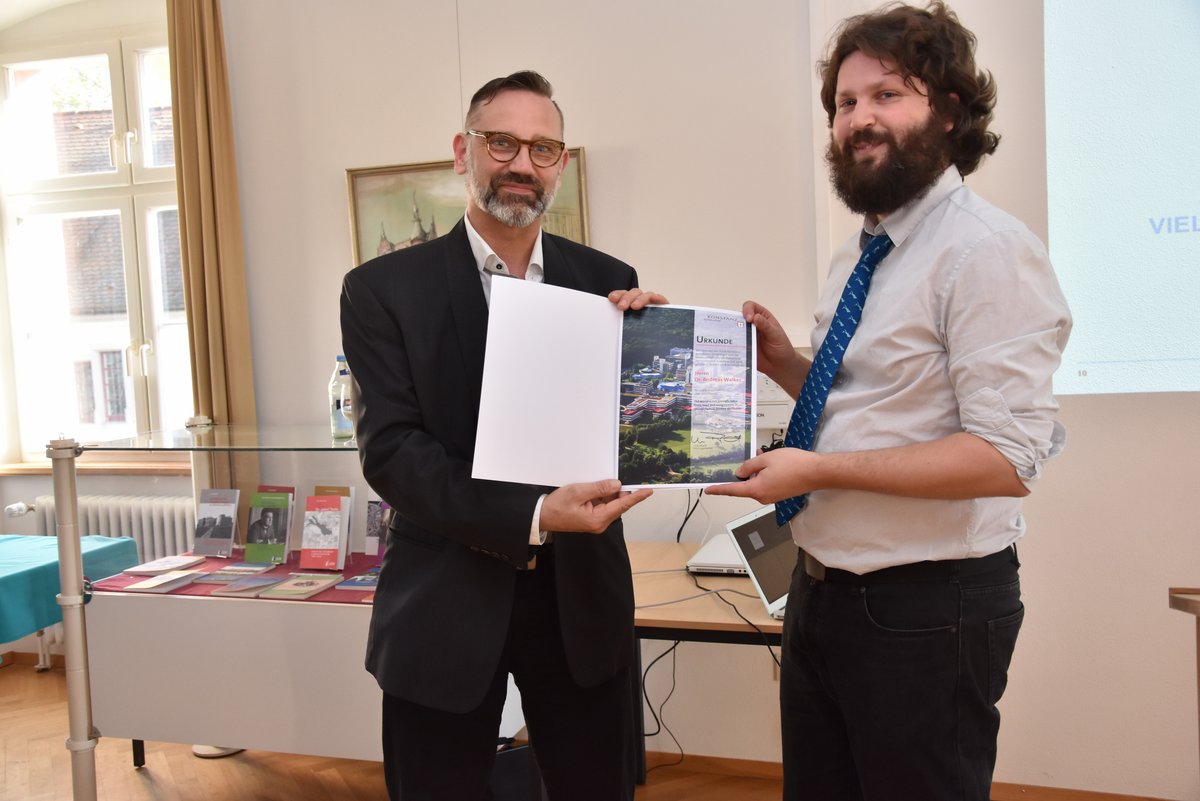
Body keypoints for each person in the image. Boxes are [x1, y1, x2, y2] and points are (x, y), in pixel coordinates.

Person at [706, 4, 1073, 800]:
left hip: (926, 610)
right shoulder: (860, 252)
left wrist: (817, 465)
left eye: (888, 95)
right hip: (821, 592)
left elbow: (1005, 457)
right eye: (844, 103)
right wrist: (784, 366)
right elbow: (874, 401)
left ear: (948, 112)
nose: (859, 118)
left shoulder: (986, 252)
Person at [340, 71, 663, 801]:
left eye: (543, 147)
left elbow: (630, 428)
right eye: (502, 142)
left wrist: (659, 355)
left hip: (582, 606)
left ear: (561, 164)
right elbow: (392, 452)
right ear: (464, 151)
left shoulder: (608, 282)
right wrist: (534, 515)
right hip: (443, 606)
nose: (522, 163)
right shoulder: (381, 289)